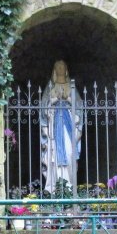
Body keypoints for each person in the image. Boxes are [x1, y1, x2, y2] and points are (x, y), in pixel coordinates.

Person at [40, 60, 83, 196]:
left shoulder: (72, 87)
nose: (60, 68)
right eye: (57, 66)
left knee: (69, 154)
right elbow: (43, 109)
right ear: (54, 70)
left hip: (68, 127)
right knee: (53, 155)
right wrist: (53, 101)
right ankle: (54, 187)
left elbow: (79, 108)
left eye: (62, 66)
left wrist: (68, 100)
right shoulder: (50, 87)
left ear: (66, 69)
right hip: (54, 126)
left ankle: (69, 186)